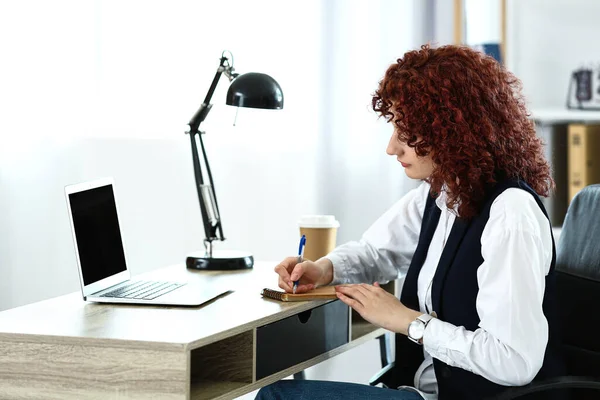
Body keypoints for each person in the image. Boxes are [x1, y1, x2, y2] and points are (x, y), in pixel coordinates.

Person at [255, 44, 564, 400]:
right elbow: (375, 252)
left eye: (407, 133)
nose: (392, 147)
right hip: (418, 389)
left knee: (279, 398)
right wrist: (323, 269)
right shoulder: (442, 194)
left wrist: (409, 321)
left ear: (452, 131)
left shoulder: (510, 213)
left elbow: (514, 361)